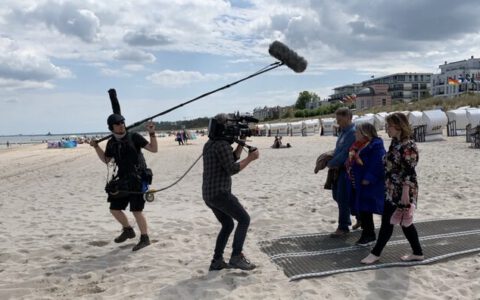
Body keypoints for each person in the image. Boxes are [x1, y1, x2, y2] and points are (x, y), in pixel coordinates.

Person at [361, 112, 424, 264]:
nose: (386, 129)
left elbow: (410, 170)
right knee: (404, 221)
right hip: (391, 187)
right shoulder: (395, 142)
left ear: (398, 126)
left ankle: (376, 253)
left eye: (388, 126)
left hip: (402, 189)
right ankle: (418, 252)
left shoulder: (408, 145)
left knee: (389, 221)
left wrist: (405, 194)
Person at [90, 114, 158, 251]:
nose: (121, 125)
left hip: (138, 178)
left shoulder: (134, 137)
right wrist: (96, 147)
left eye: (122, 122)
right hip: (122, 179)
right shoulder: (111, 142)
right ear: (111, 128)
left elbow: (153, 149)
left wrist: (151, 132)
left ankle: (145, 238)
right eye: (118, 124)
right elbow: (106, 160)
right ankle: (128, 230)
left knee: (136, 210)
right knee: (114, 208)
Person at [202, 113, 259, 271]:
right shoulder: (222, 145)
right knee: (244, 219)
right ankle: (236, 257)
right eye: (229, 126)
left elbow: (230, 158)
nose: (232, 129)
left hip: (209, 194)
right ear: (223, 127)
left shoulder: (211, 143)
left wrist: (241, 143)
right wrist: (250, 158)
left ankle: (217, 261)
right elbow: (232, 168)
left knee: (227, 225)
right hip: (220, 193)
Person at [345, 122, 385, 246]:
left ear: (365, 134)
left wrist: (368, 178)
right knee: (362, 208)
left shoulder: (375, 146)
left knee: (366, 208)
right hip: (357, 181)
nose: (355, 133)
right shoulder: (358, 145)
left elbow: (378, 163)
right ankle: (367, 234)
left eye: (357, 132)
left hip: (368, 183)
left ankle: (369, 235)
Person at [327, 107, 356, 237]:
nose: (338, 122)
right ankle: (359, 216)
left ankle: (343, 226)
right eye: (337, 119)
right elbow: (338, 150)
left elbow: (346, 153)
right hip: (339, 169)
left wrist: (331, 163)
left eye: (340, 119)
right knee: (337, 196)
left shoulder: (352, 133)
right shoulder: (343, 132)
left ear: (348, 117)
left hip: (346, 170)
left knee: (342, 198)